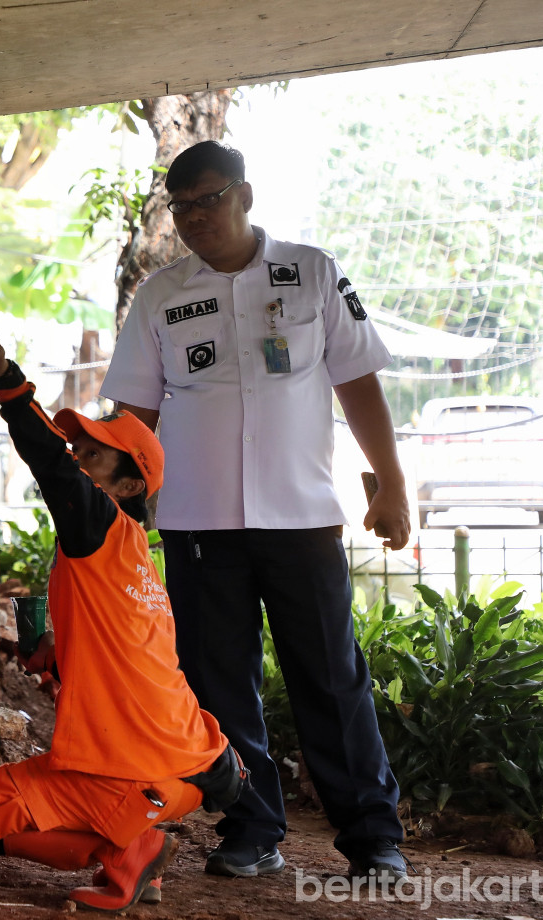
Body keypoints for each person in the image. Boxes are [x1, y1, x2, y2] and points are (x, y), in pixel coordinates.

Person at [100, 140, 411, 881]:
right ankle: (250, 828)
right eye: (180, 207)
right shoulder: (160, 295)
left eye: (208, 199)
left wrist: (391, 483)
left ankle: (372, 837)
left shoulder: (312, 272)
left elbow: (358, 382)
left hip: (302, 517)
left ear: (245, 195)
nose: (194, 217)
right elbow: (135, 414)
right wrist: (109, 497)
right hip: (198, 521)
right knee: (217, 685)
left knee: (331, 678)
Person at [0, 305, 246, 912]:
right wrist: (55, 655)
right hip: (192, 761)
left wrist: (5, 378)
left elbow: (49, 464)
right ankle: (137, 847)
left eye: (93, 455)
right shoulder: (136, 562)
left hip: (133, 769)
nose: (77, 459)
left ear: (129, 487)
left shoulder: (103, 528)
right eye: (79, 448)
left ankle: (128, 848)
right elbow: (122, 653)